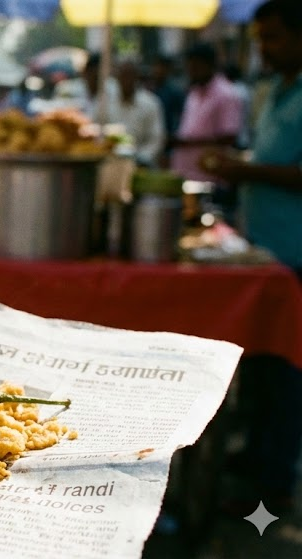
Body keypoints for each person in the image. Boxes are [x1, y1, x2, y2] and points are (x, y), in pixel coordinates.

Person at [205, 0, 302, 515]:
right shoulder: (274, 91)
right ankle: (257, 456)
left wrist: (243, 173)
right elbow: (269, 157)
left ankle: (276, 478)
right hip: (264, 250)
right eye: (261, 39)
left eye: (275, 38)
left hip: (296, 255)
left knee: (287, 369)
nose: (264, 49)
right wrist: (240, 165)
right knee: (261, 364)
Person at [169, 43, 244, 183]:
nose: (191, 71)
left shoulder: (226, 94)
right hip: (186, 173)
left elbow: (229, 137)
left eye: (195, 67)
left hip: (210, 177)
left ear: (209, 65)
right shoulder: (194, 92)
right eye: (189, 67)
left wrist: (188, 142)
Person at [110, 58, 166, 167]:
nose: (126, 80)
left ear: (136, 77)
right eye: (123, 75)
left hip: (141, 165)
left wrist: (141, 158)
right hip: (110, 163)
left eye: (129, 75)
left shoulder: (151, 103)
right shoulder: (105, 102)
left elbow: (156, 139)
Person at [148, 55, 186, 145]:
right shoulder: (150, 89)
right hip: (153, 136)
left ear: (168, 70)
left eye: (162, 67)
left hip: (168, 138)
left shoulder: (175, 92)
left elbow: (179, 117)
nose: (158, 70)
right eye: (156, 66)